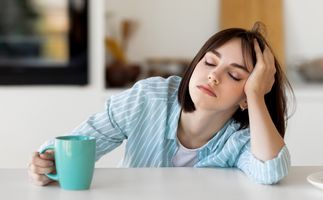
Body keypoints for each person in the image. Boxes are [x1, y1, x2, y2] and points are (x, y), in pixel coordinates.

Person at [28, 22, 292, 185]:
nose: (214, 75)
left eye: (235, 75)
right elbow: (74, 146)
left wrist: (256, 95)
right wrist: (47, 162)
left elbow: (270, 170)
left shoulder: (242, 138)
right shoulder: (149, 97)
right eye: (210, 62)